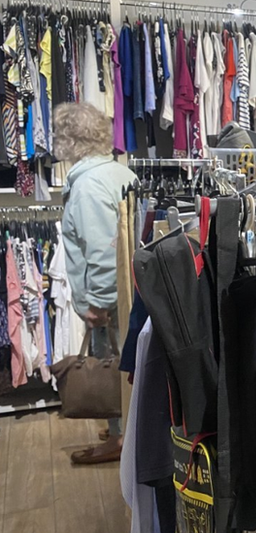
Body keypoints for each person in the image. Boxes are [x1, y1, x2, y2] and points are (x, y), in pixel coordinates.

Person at [53, 102, 136, 464]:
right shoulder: (118, 173)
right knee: (125, 366)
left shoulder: (87, 186)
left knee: (112, 365)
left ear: (68, 141)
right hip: (132, 290)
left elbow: (104, 250)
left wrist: (98, 303)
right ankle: (123, 428)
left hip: (112, 298)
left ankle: (120, 439)